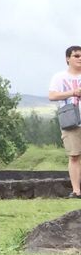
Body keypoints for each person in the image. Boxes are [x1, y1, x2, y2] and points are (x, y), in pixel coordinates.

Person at [47, 45, 81, 198]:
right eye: (76, 56)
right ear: (68, 58)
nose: (79, 58)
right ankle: (76, 190)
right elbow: (52, 96)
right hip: (71, 120)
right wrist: (73, 92)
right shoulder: (59, 77)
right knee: (74, 155)